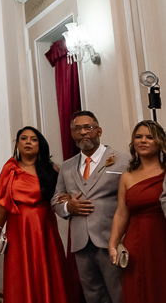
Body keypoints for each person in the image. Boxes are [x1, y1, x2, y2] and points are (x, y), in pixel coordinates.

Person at [0, 127, 76, 303]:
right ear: (17, 144)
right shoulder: (10, 169)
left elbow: (62, 196)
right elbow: (3, 203)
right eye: (23, 138)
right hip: (17, 231)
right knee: (20, 274)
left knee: (47, 270)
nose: (28, 142)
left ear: (40, 145)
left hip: (44, 229)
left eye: (33, 139)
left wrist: (67, 198)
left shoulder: (52, 169)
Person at [53, 110, 129, 303]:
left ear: (99, 131)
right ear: (72, 134)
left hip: (112, 240)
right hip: (81, 243)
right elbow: (56, 200)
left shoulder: (122, 160)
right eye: (77, 129)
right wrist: (68, 207)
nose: (83, 132)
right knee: (93, 295)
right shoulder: (67, 167)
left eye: (88, 127)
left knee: (120, 293)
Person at [107, 120, 166, 302]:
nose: (143, 141)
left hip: (162, 236)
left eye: (149, 137)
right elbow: (121, 212)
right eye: (138, 137)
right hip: (136, 241)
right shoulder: (127, 176)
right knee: (137, 288)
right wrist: (113, 244)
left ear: (160, 142)